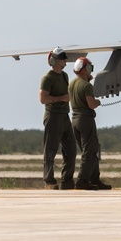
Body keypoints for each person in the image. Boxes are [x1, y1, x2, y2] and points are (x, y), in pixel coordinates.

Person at [69, 57, 111, 190]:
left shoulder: (72, 84)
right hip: (85, 120)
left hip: (74, 120)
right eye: (89, 68)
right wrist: (97, 101)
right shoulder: (87, 86)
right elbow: (91, 104)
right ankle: (82, 180)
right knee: (89, 151)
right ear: (85, 69)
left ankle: (94, 178)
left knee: (91, 150)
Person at [39, 48, 77, 190]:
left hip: (64, 115)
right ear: (53, 60)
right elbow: (43, 99)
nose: (65, 60)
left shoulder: (65, 76)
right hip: (53, 115)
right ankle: (49, 181)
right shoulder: (47, 78)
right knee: (50, 150)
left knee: (71, 149)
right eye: (62, 58)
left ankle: (66, 180)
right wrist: (61, 98)